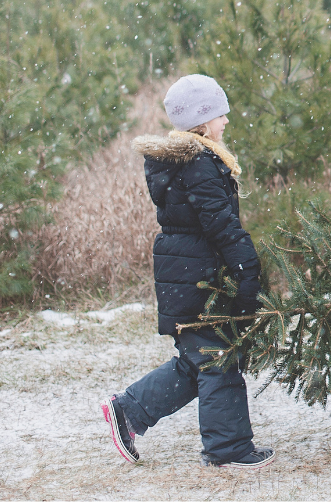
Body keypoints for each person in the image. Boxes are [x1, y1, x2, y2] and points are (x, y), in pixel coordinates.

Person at [99, 74, 275, 469]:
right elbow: (222, 226)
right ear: (203, 120)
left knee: (198, 359)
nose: (226, 121)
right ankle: (228, 449)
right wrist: (248, 271)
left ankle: (130, 410)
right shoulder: (198, 165)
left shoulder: (187, 163)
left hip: (186, 270)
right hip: (198, 275)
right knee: (216, 356)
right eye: (220, 114)